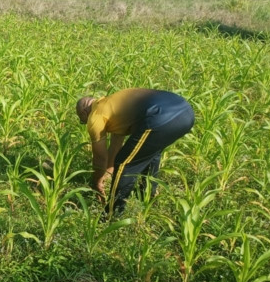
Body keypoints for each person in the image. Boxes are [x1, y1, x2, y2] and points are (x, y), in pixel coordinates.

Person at [76, 88, 194, 217]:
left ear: (84, 112)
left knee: (124, 164)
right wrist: (107, 174)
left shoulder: (95, 116)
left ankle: (112, 215)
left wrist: (96, 183)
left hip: (160, 117)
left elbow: (100, 157)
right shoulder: (112, 105)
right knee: (150, 152)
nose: (85, 123)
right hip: (185, 112)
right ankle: (147, 197)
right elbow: (116, 145)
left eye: (83, 121)